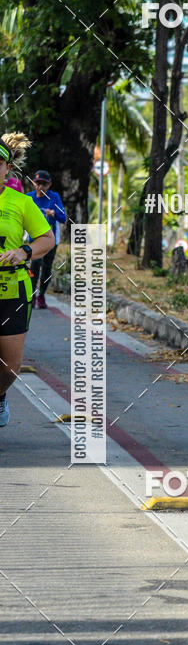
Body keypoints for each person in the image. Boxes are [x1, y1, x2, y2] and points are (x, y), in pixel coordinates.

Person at [0, 134, 55, 426]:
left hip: (12, 291)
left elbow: (46, 238)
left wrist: (24, 252)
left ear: (7, 168)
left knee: (9, 368)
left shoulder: (20, 202)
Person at [26, 169, 66, 308]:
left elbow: (63, 218)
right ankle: (31, 295)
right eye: (38, 183)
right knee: (34, 266)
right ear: (33, 184)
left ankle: (41, 295)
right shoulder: (29, 198)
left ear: (49, 185)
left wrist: (53, 213)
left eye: (44, 184)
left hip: (51, 240)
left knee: (47, 268)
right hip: (34, 239)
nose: (40, 187)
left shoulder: (54, 197)